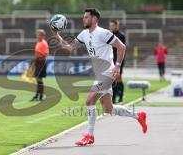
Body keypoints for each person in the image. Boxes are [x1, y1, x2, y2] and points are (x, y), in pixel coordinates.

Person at [50, 8, 147, 146]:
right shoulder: (84, 34)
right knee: (109, 109)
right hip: (99, 75)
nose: (84, 19)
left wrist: (118, 66)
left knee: (89, 101)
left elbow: (122, 47)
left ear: (94, 19)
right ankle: (139, 116)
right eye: (83, 17)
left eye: (86, 17)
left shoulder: (103, 33)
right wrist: (56, 34)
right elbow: (69, 49)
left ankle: (90, 136)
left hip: (108, 73)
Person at [109, 19, 125, 103]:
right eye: (110, 25)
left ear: (116, 25)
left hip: (118, 61)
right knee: (112, 79)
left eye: (112, 25)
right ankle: (114, 98)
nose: (110, 27)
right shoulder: (109, 35)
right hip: (111, 60)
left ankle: (120, 97)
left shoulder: (121, 35)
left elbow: (121, 49)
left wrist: (119, 64)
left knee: (118, 79)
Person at [30, 29, 49, 101]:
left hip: (41, 63)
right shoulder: (38, 43)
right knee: (38, 80)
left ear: (42, 35)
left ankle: (41, 95)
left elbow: (46, 53)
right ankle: (37, 95)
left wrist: (38, 57)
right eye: (37, 34)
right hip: (38, 62)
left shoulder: (44, 43)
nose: (37, 35)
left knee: (39, 79)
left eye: (38, 34)